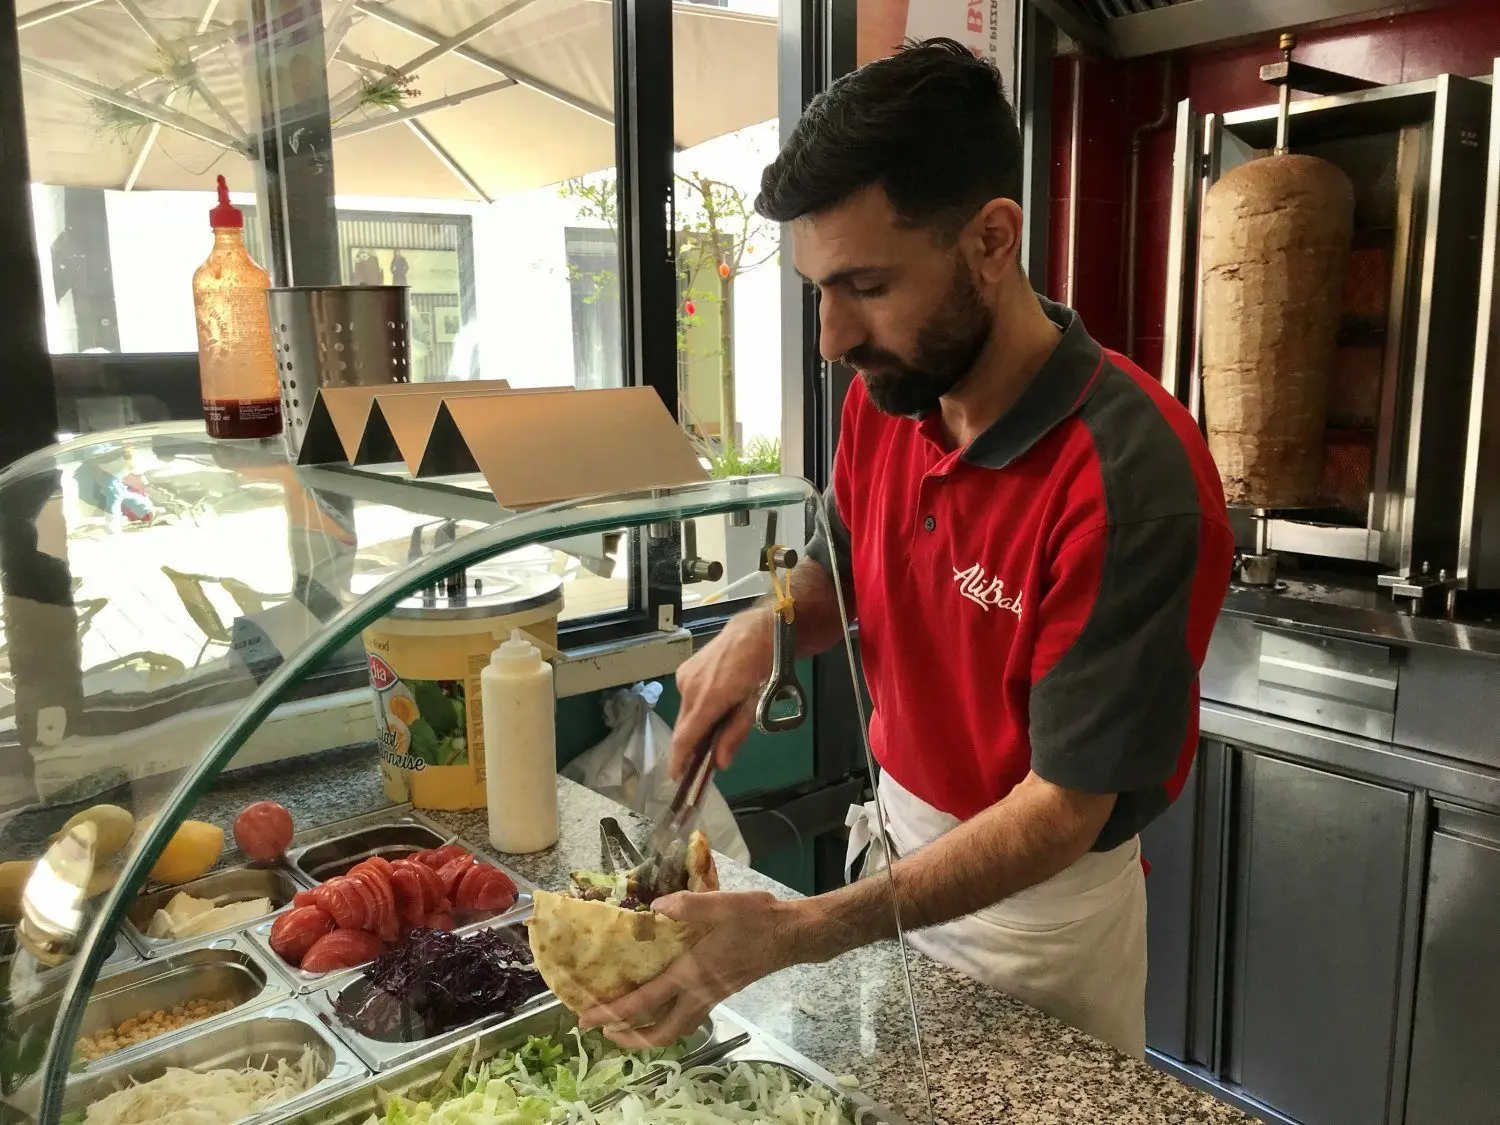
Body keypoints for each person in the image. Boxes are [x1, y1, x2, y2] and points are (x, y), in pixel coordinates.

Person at [579, 38, 1235, 1059]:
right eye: (817, 292)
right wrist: (771, 626)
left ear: (990, 240)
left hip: (1037, 919)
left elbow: (1063, 810)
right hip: (893, 853)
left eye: (867, 286)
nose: (834, 336)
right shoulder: (888, 396)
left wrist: (802, 929)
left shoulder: (1131, 479)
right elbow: (839, 567)